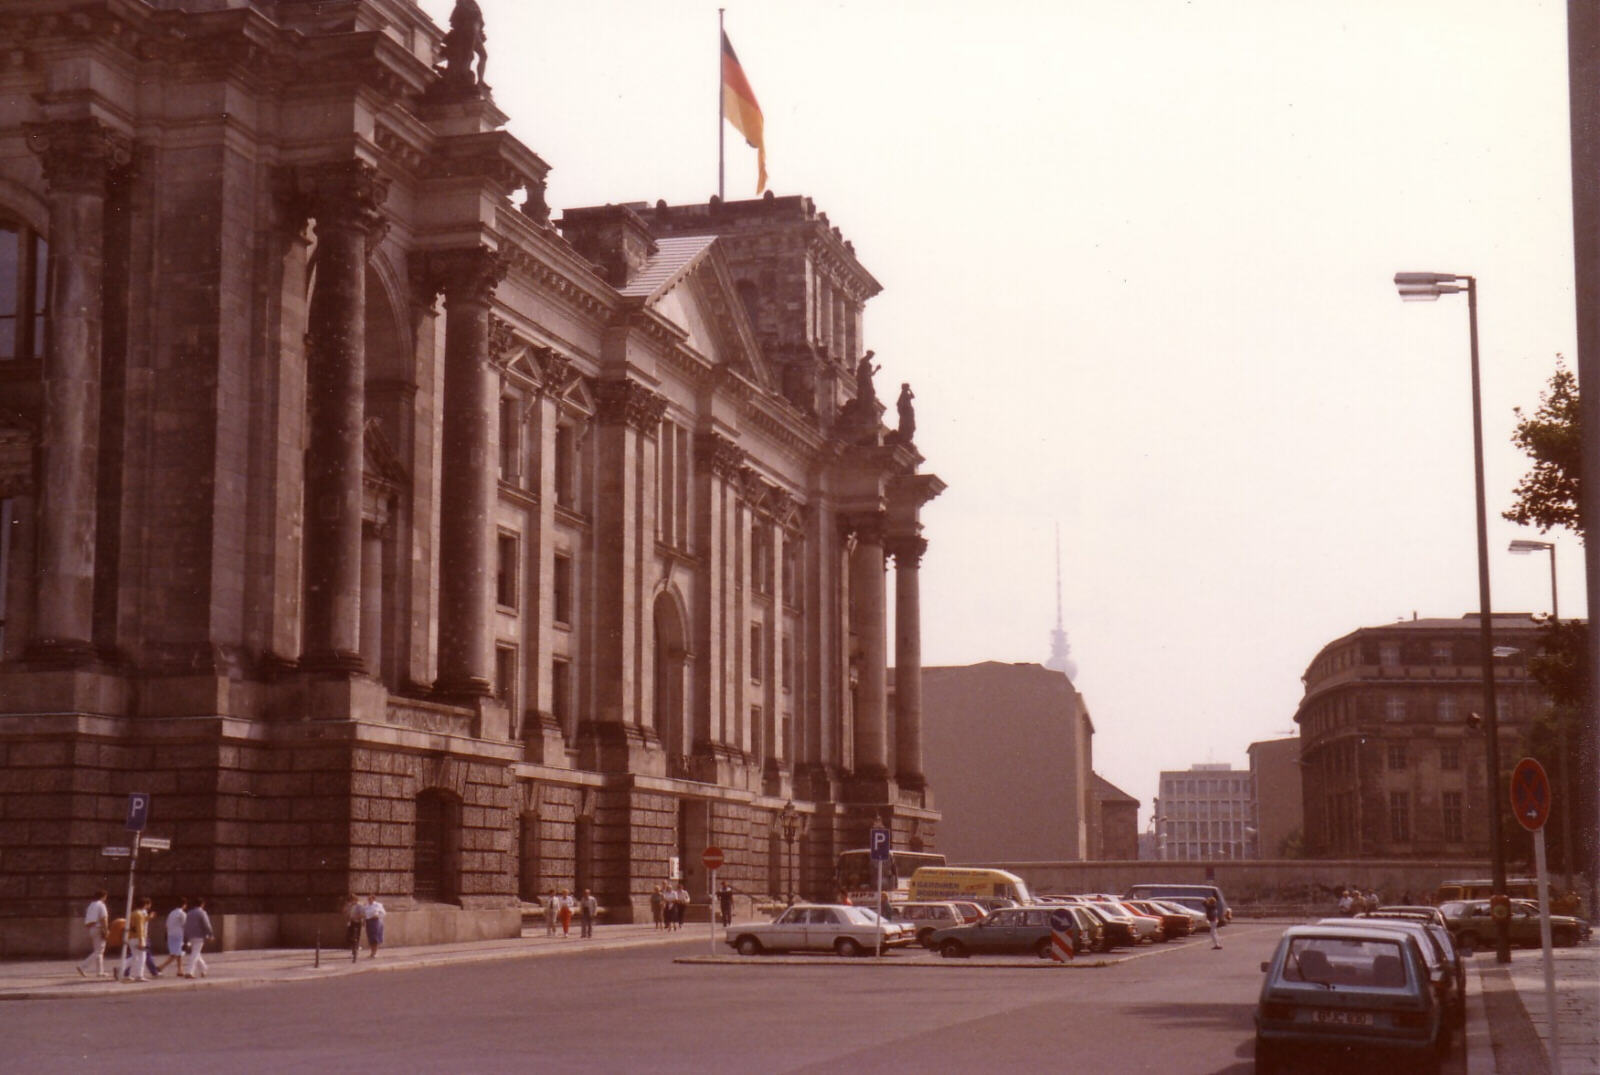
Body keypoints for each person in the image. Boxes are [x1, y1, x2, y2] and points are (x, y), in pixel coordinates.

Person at [76, 888, 110, 978]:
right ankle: (82, 966)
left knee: (98, 950)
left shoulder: (91, 905)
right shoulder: (101, 905)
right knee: (99, 951)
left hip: (92, 928)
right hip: (99, 928)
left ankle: (100, 972)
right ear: (103, 896)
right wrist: (106, 930)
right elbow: (104, 918)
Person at [120, 896, 152, 982]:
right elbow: (140, 927)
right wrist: (141, 940)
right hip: (138, 937)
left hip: (131, 937)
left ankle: (121, 969)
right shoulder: (140, 914)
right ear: (145, 905)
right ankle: (139, 975)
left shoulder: (133, 913)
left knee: (135, 957)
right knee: (142, 957)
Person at [182, 897, 213, 978]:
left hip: (190, 935)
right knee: (195, 953)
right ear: (202, 904)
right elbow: (207, 924)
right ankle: (189, 972)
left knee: (196, 953)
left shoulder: (189, 913)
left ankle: (203, 968)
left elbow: (186, 925)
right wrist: (210, 934)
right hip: (199, 935)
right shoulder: (202, 912)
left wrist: (186, 936)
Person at [157, 898, 188, 975]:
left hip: (170, 934)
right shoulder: (182, 914)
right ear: (184, 905)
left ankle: (180, 970)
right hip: (178, 935)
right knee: (175, 954)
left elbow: (167, 925)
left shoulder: (171, 913)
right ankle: (161, 967)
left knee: (178, 953)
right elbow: (185, 925)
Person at [343, 894, 364, 962]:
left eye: (352, 900)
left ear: (355, 899)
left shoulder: (359, 906)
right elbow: (345, 912)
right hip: (351, 922)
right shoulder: (350, 906)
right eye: (350, 900)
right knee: (350, 937)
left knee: (356, 937)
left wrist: (356, 918)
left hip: (357, 922)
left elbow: (362, 914)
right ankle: (353, 950)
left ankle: (355, 951)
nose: (351, 901)